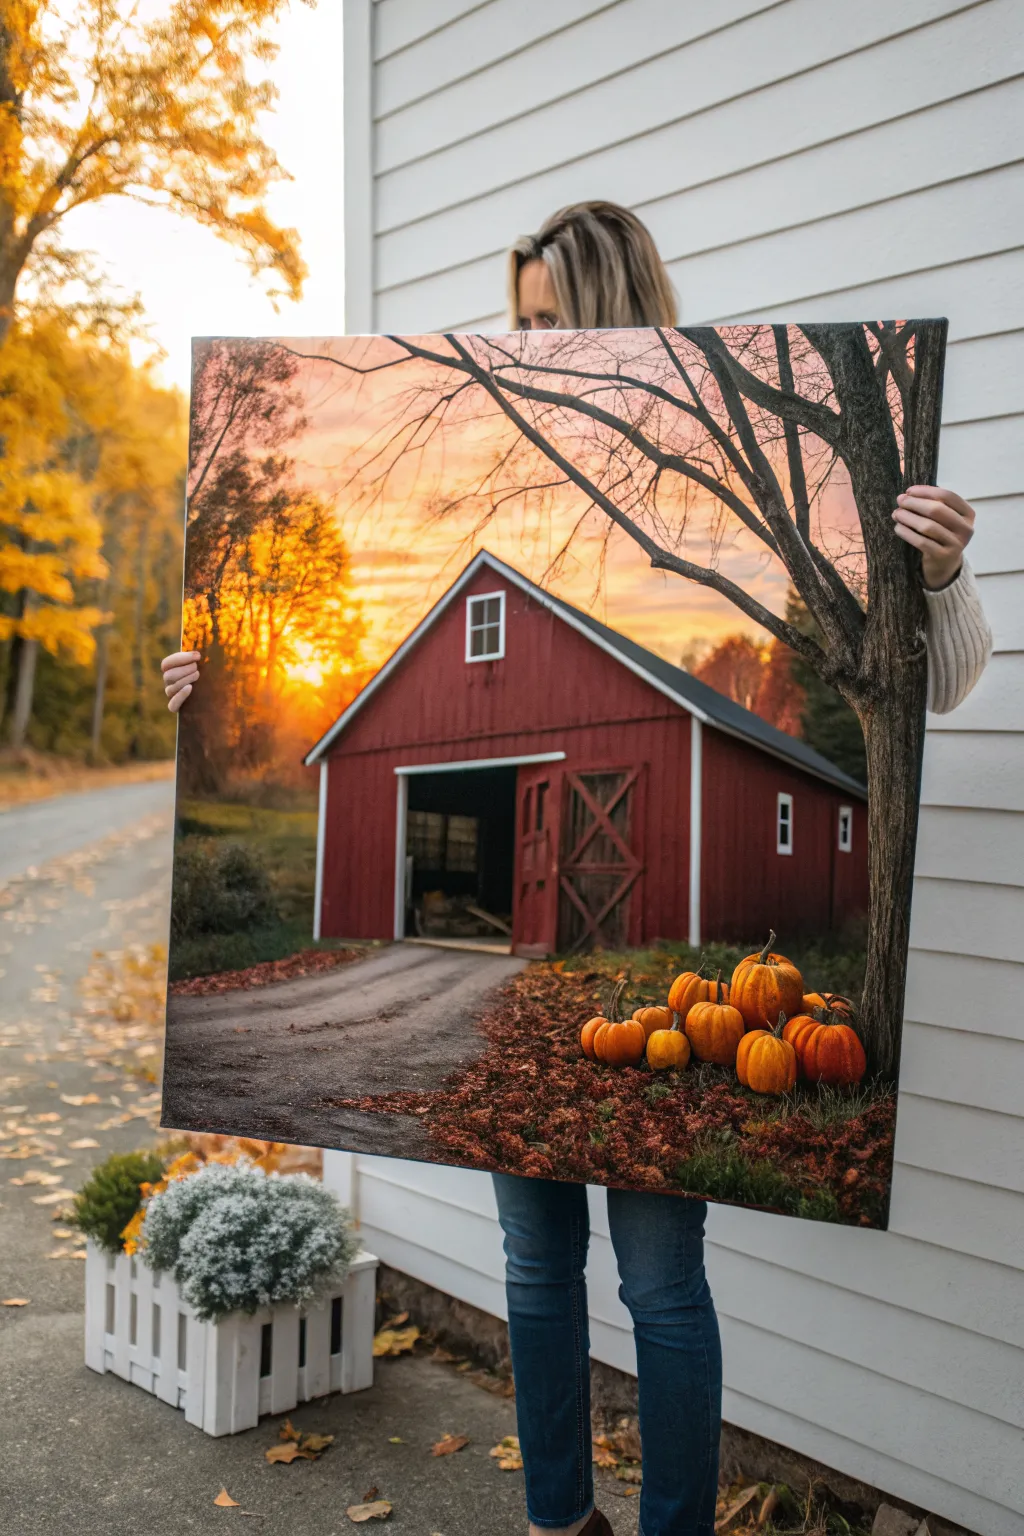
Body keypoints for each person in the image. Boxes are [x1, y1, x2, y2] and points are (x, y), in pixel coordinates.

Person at [161, 202, 992, 1536]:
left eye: (548, 319)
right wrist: (196, 693)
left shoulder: (745, 431)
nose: (526, 340)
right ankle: (559, 1518)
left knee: (659, 1290)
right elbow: (298, 681)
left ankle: (668, 1526)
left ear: (618, 304)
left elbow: (936, 685)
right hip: (555, 986)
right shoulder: (524, 463)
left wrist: (943, 576)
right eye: (521, 321)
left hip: (670, 1006)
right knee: (535, 1274)